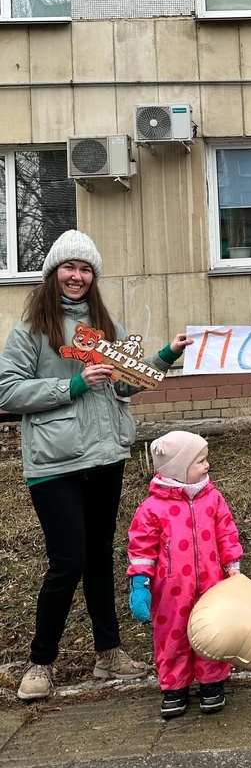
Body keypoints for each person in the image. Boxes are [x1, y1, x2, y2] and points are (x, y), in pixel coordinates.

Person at [0, 230, 193, 701]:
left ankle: (108, 653)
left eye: (85, 269)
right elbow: (7, 391)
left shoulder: (105, 326)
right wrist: (73, 385)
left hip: (105, 457)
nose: (77, 276)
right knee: (67, 561)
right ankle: (41, 662)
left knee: (99, 558)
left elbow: (123, 386)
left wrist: (166, 355)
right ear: (53, 274)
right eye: (69, 267)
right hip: (55, 463)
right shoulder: (30, 330)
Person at [127, 430, 243, 719]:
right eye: (200, 461)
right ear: (178, 469)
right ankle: (174, 687)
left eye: (206, 460)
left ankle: (212, 682)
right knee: (172, 636)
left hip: (212, 584)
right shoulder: (152, 509)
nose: (207, 466)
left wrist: (233, 568)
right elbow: (141, 547)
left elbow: (226, 533)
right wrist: (140, 581)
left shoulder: (213, 499)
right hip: (169, 591)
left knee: (212, 632)